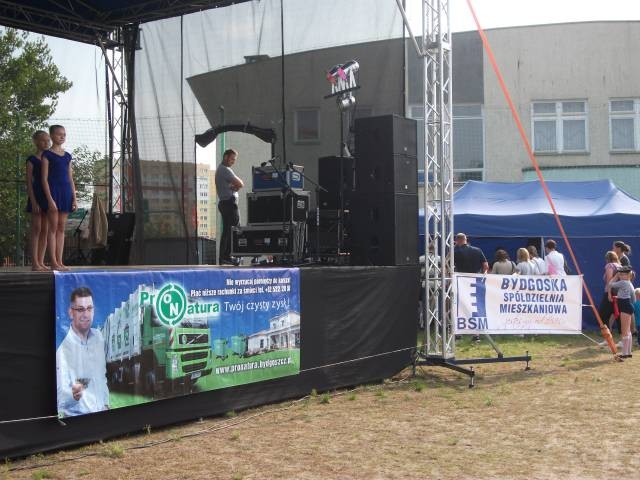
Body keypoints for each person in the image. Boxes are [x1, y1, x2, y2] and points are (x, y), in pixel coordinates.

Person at [56, 287, 109, 417]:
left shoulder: (98, 338)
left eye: (89, 308)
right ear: (71, 313)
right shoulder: (63, 349)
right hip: (79, 420)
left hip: (102, 415)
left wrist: (106, 404)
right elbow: (59, 398)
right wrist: (73, 395)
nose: (86, 314)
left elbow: (101, 377)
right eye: (80, 309)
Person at [41, 125, 77, 271]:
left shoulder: (67, 156)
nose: (62, 137)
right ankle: (53, 262)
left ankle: (60, 261)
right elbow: (44, 179)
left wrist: (74, 198)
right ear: (51, 136)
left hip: (66, 192)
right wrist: (50, 199)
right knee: (53, 228)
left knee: (61, 228)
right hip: (53, 192)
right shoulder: (47, 155)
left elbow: (70, 178)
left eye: (64, 134)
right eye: (59, 134)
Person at [26, 130, 50, 271]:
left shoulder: (50, 158)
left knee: (45, 230)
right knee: (36, 229)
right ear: (35, 142)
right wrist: (34, 201)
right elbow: (29, 182)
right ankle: (34, 263)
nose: (46, 143)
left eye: (48, 140)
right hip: (37, 195)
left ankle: (41, 261)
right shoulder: (32, 160)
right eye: (43, 140)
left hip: (48, 195)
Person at [215, 148, 244, 265]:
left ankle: (226, 256)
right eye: (232, 159)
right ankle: (226, 256)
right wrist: (236, 186)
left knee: (229, 230)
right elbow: (240, 183)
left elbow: (237, 185)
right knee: (231, 230)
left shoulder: (222, 169)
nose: (233, 161)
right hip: (229, 203)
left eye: (235, 159)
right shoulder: (225, 169)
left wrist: (235, 187)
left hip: (226, 203)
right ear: (225, 157)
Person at [607, 266, 635, 358]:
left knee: (624, 331)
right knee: (628, 331)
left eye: (623, 274)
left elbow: (610, 284)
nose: (621, 276)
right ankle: (628, 352)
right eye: (620, 274)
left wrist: (615, 277)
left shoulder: (623, 282)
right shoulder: (629, 283)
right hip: (627, 306)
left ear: (628, 275)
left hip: (625, 307)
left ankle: (625, 353)